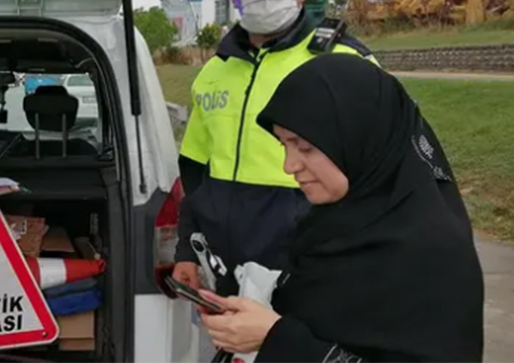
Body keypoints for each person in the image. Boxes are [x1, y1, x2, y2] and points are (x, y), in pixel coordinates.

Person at [197, 53, 485, 362]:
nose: (289, 165)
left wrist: (275, 338)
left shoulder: (433, 257)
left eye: (305, 147)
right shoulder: (337, 222)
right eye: (284, 145)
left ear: (359, 138)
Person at [173, 0, 376, 296]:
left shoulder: (346, 63)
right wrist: (187, 248)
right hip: (227, 279)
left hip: (315, 279)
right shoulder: (212, 74)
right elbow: (195, 174)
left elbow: (385, 181)